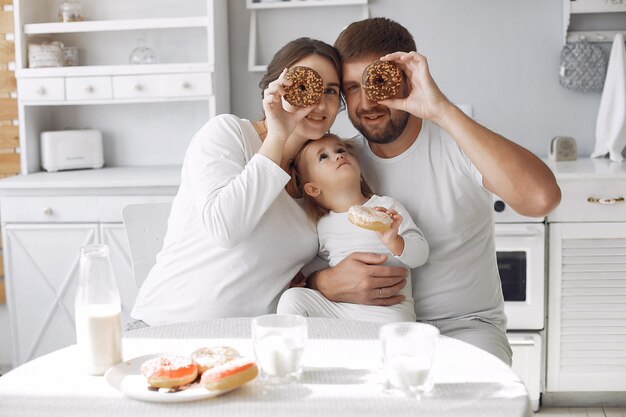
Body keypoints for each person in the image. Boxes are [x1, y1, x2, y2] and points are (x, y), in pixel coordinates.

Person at [308, 18, 562, 365]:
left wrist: (440, 109)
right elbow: (303, 254)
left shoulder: (458, 143)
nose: (366, 103)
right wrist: (324, 283)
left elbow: (542, 199)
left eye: (378, 82)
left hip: (466, 330)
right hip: (376, 331)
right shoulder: (340, 163)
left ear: (408, 77)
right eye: (352, 88)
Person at [129, 37, 343, 327]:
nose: (319, 102)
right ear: (276, 88)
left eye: (331, 91)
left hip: (250, 341)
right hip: (166, 327)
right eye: (306, 87)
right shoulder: (227, 133)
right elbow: (226, 227)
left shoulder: (317, 177)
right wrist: (279, 134)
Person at [277, 133, 428, 322]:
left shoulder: (386, 208)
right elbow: (321, 263)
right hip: (343, 314)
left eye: (341, 150)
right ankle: (292, 349)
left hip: (387, 314)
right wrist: (303, 279)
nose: (339, 156)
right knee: (292, 299)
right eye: (323, 157)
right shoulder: (323, 224)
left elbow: (421, 255)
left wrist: (394, 241)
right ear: (313, 188)